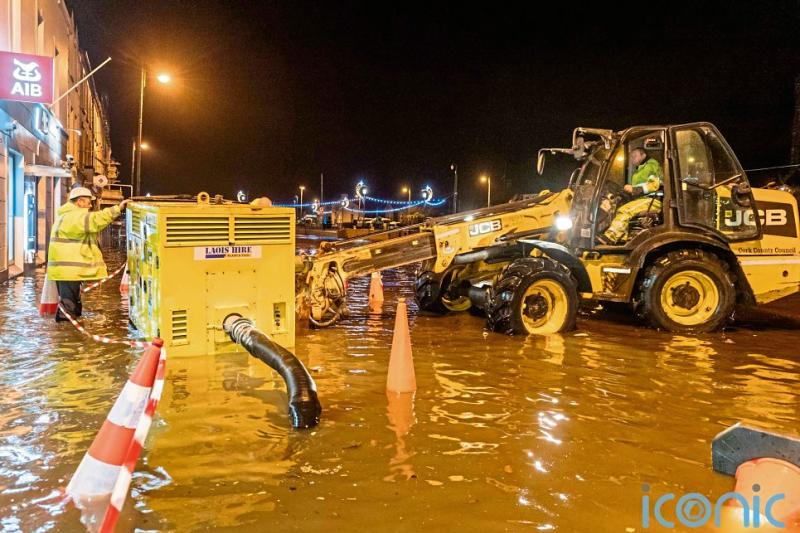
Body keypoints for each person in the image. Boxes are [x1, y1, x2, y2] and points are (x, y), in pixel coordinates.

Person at [47, 187, 129, 321]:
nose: (90, 205)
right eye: (88, 202)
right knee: (68, 307)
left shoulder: (66, 216)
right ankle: (67, 336)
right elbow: (96, 220)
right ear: (79, 201)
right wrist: (118, 208)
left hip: (67, 271)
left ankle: (68, 335)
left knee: (72, 304)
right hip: (69, 271)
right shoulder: (75, 216)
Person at [599, 147, 663, 244]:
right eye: (631, 156)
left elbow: (654, 185)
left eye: (635, 156)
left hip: (652, 200)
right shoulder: (638, 171)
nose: (632, 158)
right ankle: (622, 239)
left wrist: (634, 189)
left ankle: (610, 237)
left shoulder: (651, 165)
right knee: (617, 207)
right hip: (643, 200)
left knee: (625, 210)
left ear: (643, 155)